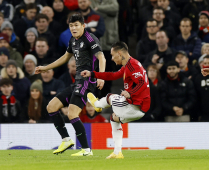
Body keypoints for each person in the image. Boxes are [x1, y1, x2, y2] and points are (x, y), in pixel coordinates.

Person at [35, 13, 106, 156]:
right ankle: (66, 139)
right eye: (71, 26)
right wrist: (45, 67)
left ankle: (86, 150)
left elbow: (101, 57)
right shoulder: (73, 40)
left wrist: (101, 76)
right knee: (51, 107)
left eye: (76, 25)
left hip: (87, 81)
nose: (73, 28)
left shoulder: (90, 39)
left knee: (72, 113)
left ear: (83, 26)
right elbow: (65, 57)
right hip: (77, 82)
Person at [81, 41, 150, 159]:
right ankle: (118, 152)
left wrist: (130, 92)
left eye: (113, 55)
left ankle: (97, 104)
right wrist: (92, 74)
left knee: (110, 97)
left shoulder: (132, 65)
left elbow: (142, 82)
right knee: (113, 119)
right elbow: (112, 76)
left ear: (119, 53)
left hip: (137, 106)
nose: (112, 59)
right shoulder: (128, 66)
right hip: (135, 108)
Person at [195, 55, 209, 121]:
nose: (207, 65)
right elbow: (197, 97)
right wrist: (198, 114)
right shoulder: (198, 78)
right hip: (204, 114)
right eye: (205, 63)